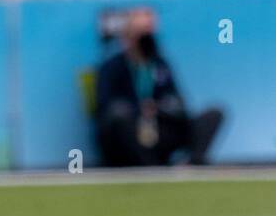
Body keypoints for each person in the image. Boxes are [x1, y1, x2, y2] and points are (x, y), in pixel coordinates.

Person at [95, 9, 224, 167]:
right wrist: (138, 109)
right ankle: (150, 167)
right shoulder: (112, 66)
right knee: (120, 117)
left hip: (160, 128)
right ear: (126, 38)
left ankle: (192, 163)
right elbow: (105, 106)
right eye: (139, 35)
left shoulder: (160, 64)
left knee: (214, 114)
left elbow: (179, 103)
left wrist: (158, 108)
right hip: (132, 132)